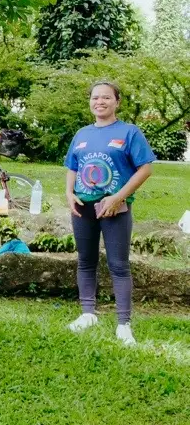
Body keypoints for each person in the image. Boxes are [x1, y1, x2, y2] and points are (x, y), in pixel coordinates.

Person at [65, 81, 156, 345]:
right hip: (83, 207)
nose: (100, 102)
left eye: (106, 97)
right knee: (85, 260)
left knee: (118, 265)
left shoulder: (129, 132)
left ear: (117, 102)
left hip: (114, 207)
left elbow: (145, 169)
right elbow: (72, 166)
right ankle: (87, 314)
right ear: (90, 101)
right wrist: (69, 193)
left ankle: (124, 324)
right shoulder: (82, 134)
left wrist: (118, 197)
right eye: (95, 98)